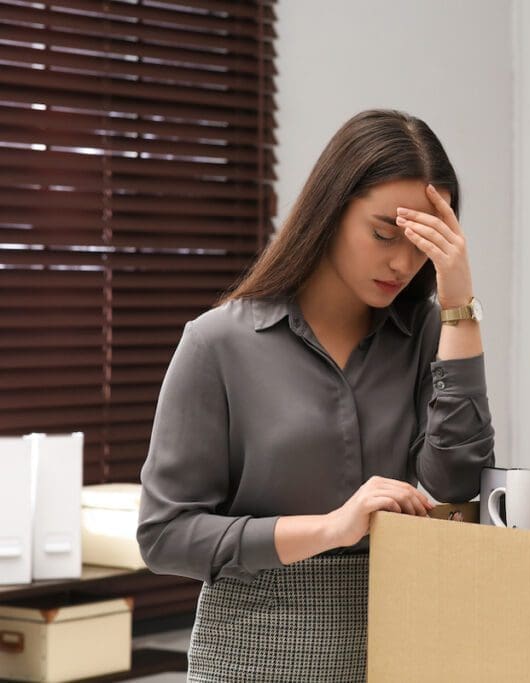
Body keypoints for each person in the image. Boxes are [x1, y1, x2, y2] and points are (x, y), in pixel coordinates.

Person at [137, 109, 495, 682]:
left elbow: (457, 482)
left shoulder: (431, 334)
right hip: (253, 657)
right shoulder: (218, 343)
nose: (404, 262)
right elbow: (164, 535)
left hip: (402, 648)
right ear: (331, 210)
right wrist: (331, 527)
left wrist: (460, 311)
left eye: (425, 244)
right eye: (383, 234)